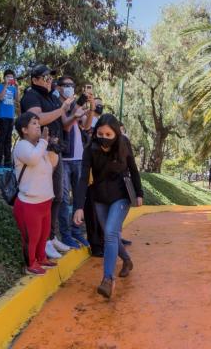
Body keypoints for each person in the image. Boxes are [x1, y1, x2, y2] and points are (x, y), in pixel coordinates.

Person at [73, 114, 144, 299]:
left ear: (116, 134)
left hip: (121, 196)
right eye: (100, 133)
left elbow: (134, 169)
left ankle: (107, 279)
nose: (104, 137)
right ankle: (127, 261)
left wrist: (139, 193)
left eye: (108, 134)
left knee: (111, 232)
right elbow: (83, 179)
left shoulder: (124, 145)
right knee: (109, 234)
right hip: (99, 197)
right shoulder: (90, 148)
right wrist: (78, 206)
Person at [20, 65, 75, 259]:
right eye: (45, 77)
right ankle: (43, 242)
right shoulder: (31, 96)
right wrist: (61, 110)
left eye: (50, 77)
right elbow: (38, 119)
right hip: (42, 151)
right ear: (34, 79)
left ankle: (51, 237)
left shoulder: (51, 97)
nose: (49, 80)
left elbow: (62, 123)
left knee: (58, 196)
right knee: (46, 197)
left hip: (56, 150)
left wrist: (73, 115)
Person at [12, 112, 59, 275]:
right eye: (34, 123)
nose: (38, 126)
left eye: (38, 123)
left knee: (43, 234)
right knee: (32, 237)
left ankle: (41, 258)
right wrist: (45, 141)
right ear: (24, 129)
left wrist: (53, 147)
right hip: (29, 203)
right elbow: (32, 159)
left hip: (45, 201)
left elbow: (52, 165)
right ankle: (31, 264)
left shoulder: (40, 146)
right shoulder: (22, 146)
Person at [57, 76, 94, 248]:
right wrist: (77, 109)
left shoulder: (73, 105)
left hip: (79, 159)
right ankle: (66, 234)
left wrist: (91, 107)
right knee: (64, 199)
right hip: (63, 159)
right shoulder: (58, 105)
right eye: (66, 85)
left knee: (79, 197)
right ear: (58, 88)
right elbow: (65, 125)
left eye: (72, 85)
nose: (70, 88)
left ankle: (76, 232)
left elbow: (86, 126)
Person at [0, 69, 19, 168]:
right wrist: (5, 85)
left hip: (10, 117)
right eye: (8, 77)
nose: (10, 78)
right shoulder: (0, 86)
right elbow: (0, 98)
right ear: (4, 78)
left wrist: (17, 87)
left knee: (8, 140)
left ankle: (8, 162)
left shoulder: (13, 88)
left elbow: (17, 100)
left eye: (11, 77)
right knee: (1, 139)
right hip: (2, 116)